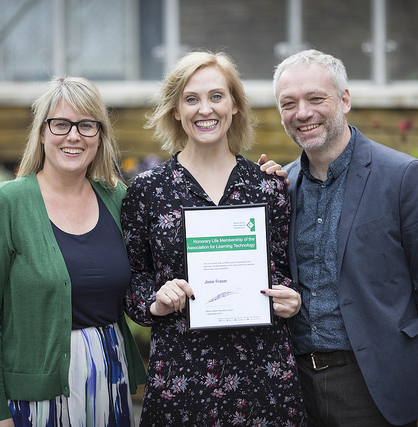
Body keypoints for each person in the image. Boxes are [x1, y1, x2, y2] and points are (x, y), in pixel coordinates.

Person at [273, 49, 418, 427]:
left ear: (344, 99)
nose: (302, 113)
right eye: (288, 104)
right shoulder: (281, 187)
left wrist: (404, 366)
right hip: (295, 387)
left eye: (315, 98)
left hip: (374, 385)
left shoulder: (404, 177)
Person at [121, 51, 306, 426]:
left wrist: (290, 297)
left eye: (216, 96)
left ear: (235, 105)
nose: (205, 109)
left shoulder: (268, 186)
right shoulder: (147, 190)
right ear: (176, 110)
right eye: (191, 99)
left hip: (262, 374)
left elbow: (283, 270)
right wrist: (155, 302)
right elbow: (133, 279)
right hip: (181, 378)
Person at [0, 77, 146, 427]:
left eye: (86, 125)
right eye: (61, 124)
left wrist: (250, 184)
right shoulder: (6, 204)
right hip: (36, 397)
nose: (74, 136)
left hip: (109, 379)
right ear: (42, 133)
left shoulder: (118, 201)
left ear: (100, 135)